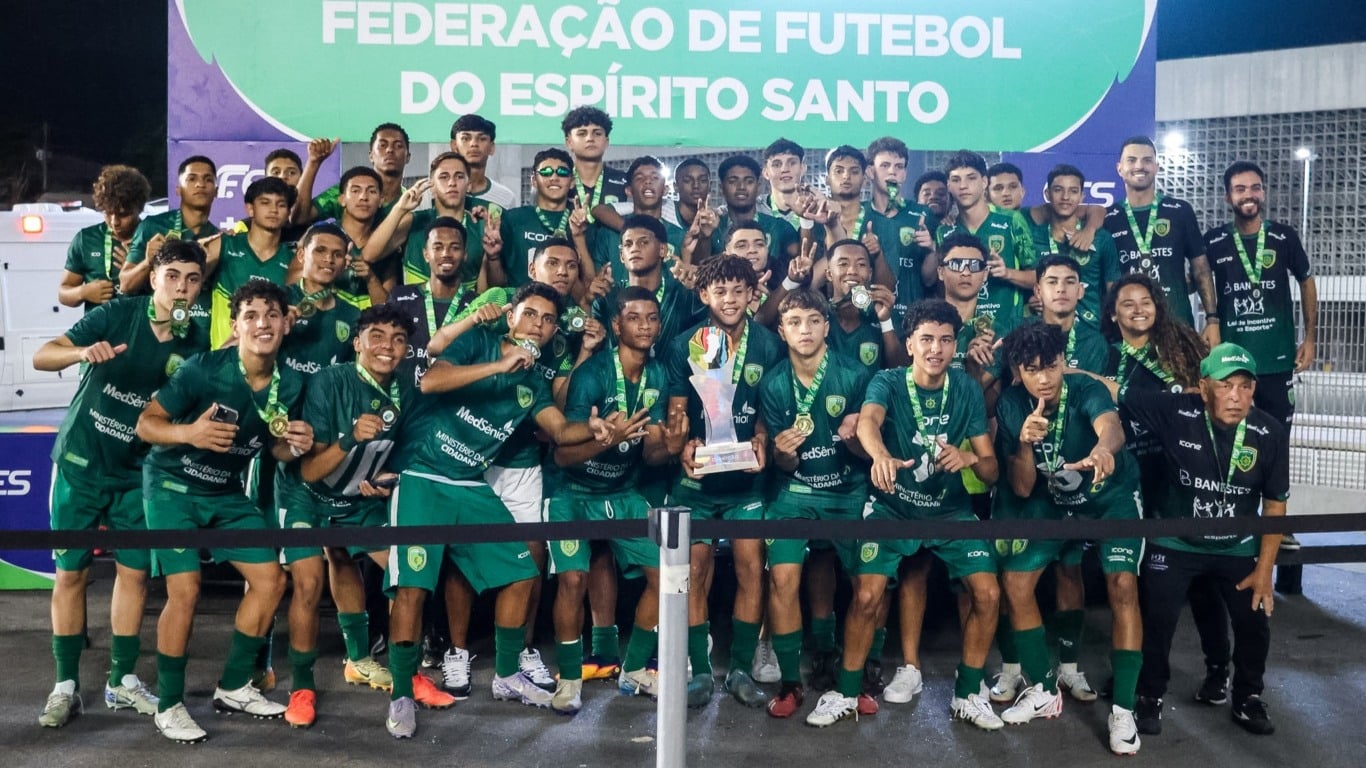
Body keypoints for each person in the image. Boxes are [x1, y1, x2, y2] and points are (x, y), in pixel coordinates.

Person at [383, 282, 609, 738]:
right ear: (511, 317)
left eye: (548, 320)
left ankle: (506, 676)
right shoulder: (479, 342)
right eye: (530, 314)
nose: (538, 325)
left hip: (471, 484)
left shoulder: (533, 381)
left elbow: (560, 431)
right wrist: (499, 365)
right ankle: (402, 694)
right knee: (412, 590)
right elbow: (430, 380)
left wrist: (598, 429)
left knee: (522, 572)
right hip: (424, 477)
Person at [33, 239, 210, 728]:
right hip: (81, 464)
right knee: (71, 574)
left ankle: (122, 681)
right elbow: (43, 356)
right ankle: (64, 686)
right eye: (172, 276)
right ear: (153, 279)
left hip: (137, 474)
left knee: (134, 576)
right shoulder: (117, 314)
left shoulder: (195, 341)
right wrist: (80, 352)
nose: (181, 288)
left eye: (192, 279)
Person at [808, 299, 1001, 730]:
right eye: (926, 339)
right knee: (866, 597)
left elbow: (991, 470)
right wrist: (880, 456)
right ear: (909, 343)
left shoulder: (966, 388)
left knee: (988, 594)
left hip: (950, 511)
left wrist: (970, 460)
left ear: (955, 346)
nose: (936, 349)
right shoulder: (888, 380)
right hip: (893, 507)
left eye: (946, 340)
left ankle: (968, 693)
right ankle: (845, 692)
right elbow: (868, 422)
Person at [135, 281, 312, 743]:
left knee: (271, 580)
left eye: (271, 315)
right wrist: (189, 433)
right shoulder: (203, 369)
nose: (262, 324)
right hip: (172, 487)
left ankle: (233, 686)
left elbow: (276, 449)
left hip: (225, 492)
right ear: (235, 326)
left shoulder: (291, 383)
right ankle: (169, 705)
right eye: (251, 315)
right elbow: (146, 424)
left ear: (286, 323)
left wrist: (296, 445)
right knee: (186, 589)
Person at [1121, 343, 1289, 737]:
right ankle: (1150, 694)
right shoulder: (1176, 411)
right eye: (1225, 385)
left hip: (1236, 545)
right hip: (1175, 541)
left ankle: (1246, 695)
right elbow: (1117, 392)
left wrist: (1265, 571)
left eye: (1245, 386)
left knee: (1253, 618)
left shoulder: (1270, 432)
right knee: (1158, 617)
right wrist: (1067, 374)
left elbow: (1275, 505)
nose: (1236, 396)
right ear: (1203, 387)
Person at [993, 322, 1145, 756]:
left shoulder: (1084, 389)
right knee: (1015, 583)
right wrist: (1024, 444)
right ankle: (1043, 689)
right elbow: (1022, 488)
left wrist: (1103, 450)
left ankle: (1123, 711)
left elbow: (1111, 426)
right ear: (1018, 371)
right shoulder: (1011, 404)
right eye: (1032, 369)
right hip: (1055, 501)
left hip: (1110, 499)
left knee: (1122, 585)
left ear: (1064, 362)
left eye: (1052, 366)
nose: (1045, 378)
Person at [276, 304, 419, 728]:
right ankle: (302, 687)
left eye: (397, 339)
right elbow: (309, 470)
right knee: (308, 582)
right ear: (357, 343)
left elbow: (404, 454)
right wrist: (350, 437)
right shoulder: (328, 381)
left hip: (358, 497)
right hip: (306, 494)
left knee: (401, 574)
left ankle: (375, 667)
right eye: (377, 337)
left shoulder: (407, 389)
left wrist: (389, 479)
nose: (387, 347)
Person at [547, 286, 688, 713]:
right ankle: (569, 679)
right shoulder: (592, 375)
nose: (645, 326)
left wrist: (672, 447)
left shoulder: (658, 375)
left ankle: (634, 669)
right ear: (616, 325)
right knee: (573, 580)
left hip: (623, 491)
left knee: (667, 577)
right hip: (573, 492)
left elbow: (649, 453)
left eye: (652, 318)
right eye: (634, 317)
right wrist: (607, 440)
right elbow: (562, 454)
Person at [663, 256, 786, 709]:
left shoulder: (769, 345)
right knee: (695, 570)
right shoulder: (684, 344)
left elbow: (771, 408)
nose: (730, 300)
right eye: (720, 292)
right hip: (697, 479)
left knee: (751, 567)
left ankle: (739, 669)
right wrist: (683, 446)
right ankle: (700, 670)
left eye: (738, 291)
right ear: (704, 295)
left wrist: (762, 438)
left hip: (746, 480)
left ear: (752, 294)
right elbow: (677, 408)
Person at [758, 289, 873, 718]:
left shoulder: (855, 374)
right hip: (795, 492)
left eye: (812, 321)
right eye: (794, 322)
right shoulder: (772, 383)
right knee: (782, 580)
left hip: (848, 491)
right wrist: (784, 455)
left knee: (869, 585)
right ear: (781, 331)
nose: (804, 330)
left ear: (826, 326)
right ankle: (791, 683)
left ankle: (857, 677)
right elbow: (782, 465)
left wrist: (857, 440)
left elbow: (870, 452)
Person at [1204, 160, 1317, 428]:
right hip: (1230, 362)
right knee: (1230, 438)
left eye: (1255, 188)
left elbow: (1307, 281)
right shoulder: (1214, 241)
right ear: (1228, 197)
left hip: (1277, 361)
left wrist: (1310, 338)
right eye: (1240, 189)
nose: (1249, 195)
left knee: (1277, 438)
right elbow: (1197, 281)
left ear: (1263, 193)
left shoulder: (1284, 236)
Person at [1103, 136, 1220, 344]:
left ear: (1156, 167)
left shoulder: (1180, 211)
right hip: (1127, 332)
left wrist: (1212, 319)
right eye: (1131, 160)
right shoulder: (1107, 218)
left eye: (1147, 160)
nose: (1139, 166)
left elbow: (1201, 268)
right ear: (1119, 168)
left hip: (1177, 329)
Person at [118, 156, 220, 333]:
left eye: (208, 179)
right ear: (178, 189)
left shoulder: (217, 239)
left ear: (216, 191)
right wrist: (147, 262)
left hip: (198, 335)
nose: (200, 184)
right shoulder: (152, 227)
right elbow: (125, 285)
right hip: (153, 330)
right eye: (192, 179)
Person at [365, 152, 491, 292]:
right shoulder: (414, 221)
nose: (452, 183)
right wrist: (399, 209)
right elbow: (369, 255)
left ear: (469, 185)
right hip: (413, 305)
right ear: (432, 187)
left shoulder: (480, 228)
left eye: (459, 176)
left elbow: (484, 290)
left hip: (466, 306)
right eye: (444, 177)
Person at [935, 151, 1038, 322]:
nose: (963, 186)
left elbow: (1038, 277)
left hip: (1007, 329)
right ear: (948, 185)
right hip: (961, 329)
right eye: (956, 180)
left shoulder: (1011, 220)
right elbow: (941, 286)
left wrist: (1007, 273)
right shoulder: (944, 231)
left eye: (971, 178)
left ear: (984, 182)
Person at [201, 176, 297, 348]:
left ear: (289, 213)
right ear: (250, 209)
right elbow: (190, 280)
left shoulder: (293, 261)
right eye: (265, 203)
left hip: (269, 358)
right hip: (223, 357)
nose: (273, 210)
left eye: (281, 205)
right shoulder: (224, 245)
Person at [1029, 165, 1122, 330]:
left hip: (1091, 330)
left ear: (1081, 196)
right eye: (1058, 190)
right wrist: (1030, 299)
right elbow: (1029, 284)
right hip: (1045, 331)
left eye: (1073, 191)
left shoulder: (1101, 238)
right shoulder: (1032, 237)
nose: (1065, 197)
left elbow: (1113, 289)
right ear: (1047, 194)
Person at [864, 137, 938, 325]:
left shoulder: (923, 215)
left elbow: (929, 281)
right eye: (885, 165)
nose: (892, 172)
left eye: (899, 166)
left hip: (911, 319)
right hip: (867, 318)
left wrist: (931, 250)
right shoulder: (859, 214)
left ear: (904, 174)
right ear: (870, 171)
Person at [59, 164, 151, 313]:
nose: (115, 222)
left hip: (141, 325)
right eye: (108, 213)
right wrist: (83, 292)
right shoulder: (86, 239)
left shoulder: (152, 237)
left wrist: (137, 271)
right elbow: (63, 293)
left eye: (123, 214)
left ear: (138, 209)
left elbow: (173, 292)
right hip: (99, 327)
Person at [293, 123, 411, 226]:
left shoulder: (411, 199)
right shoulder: (345, 191)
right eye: (383, 145)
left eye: (398, 146)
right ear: (371, 156)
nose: (390, 150)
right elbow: (299, 218)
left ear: (408, 157)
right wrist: (313, 162)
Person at [449, 114, 518, 215]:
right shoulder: (436, 192)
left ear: (491, 148)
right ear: (454, 146)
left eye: (482, 139)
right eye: (466, 138)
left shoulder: (506, 197)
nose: (474, 144)